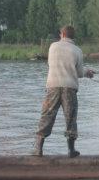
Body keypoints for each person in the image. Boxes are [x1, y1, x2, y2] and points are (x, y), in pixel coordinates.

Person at [32, 25, 94, 157]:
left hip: (53, 86)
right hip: (69, 88)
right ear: (73, 36)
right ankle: (71, 150)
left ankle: (38, 149)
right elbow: (78, 72)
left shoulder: (53, 47)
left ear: (62, 35)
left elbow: (50, 64)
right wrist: (87, 72)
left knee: (47, 115)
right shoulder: (77, 50)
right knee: (70, 118)